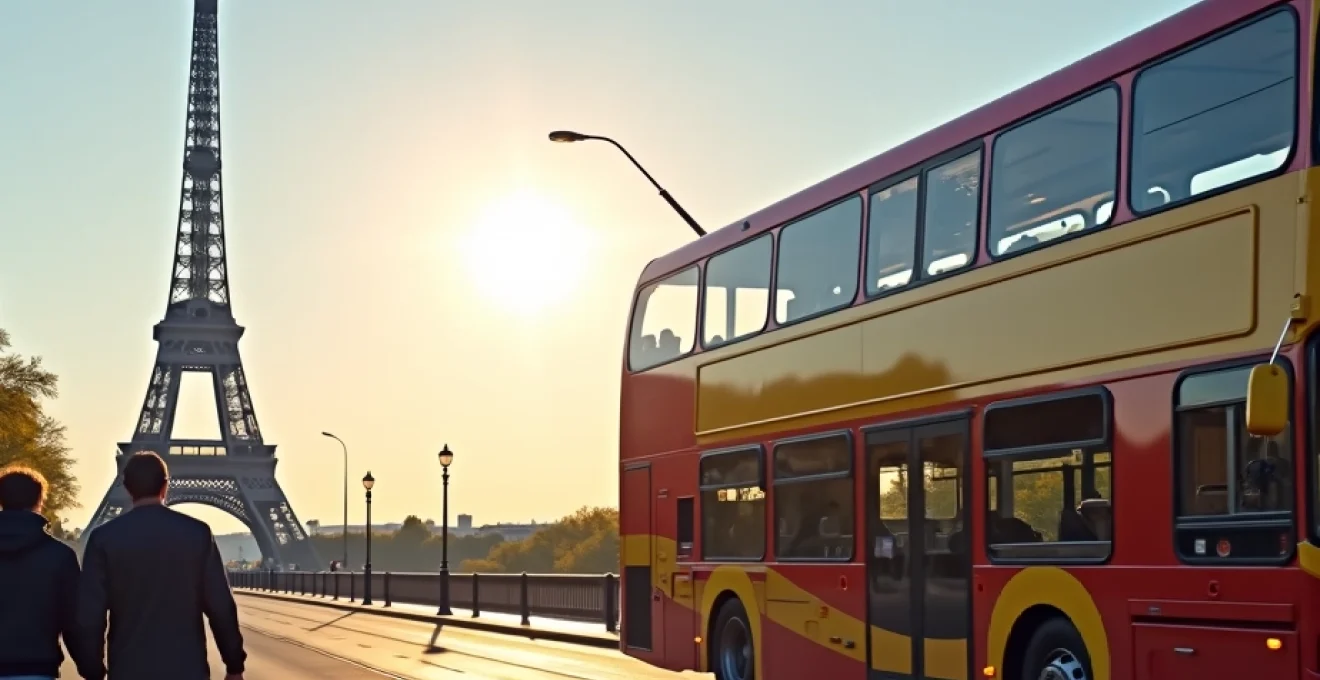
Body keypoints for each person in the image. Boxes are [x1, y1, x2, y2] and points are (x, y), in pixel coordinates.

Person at [77, 452, 246, 680]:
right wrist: (234, 665)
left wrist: (92, 671)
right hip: (187, 669)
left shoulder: (103, 539)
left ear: (127, 488)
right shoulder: (197, 534)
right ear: (165, 486)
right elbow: (220, 606)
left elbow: (90, 614)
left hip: (129, 668)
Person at [0, 466, 96, 680]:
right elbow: (73, 623)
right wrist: (91, 668)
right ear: (39, 502)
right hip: (37, 669)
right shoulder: (60, 556)